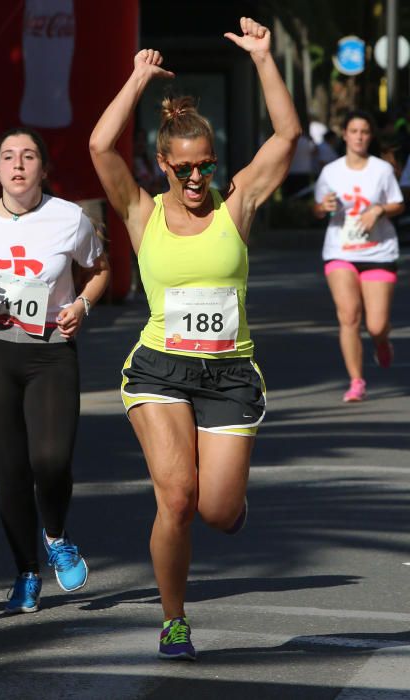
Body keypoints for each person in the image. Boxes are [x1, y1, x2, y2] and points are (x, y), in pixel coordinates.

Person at [89, 17, 300, 660]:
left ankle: (229, 504)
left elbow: (287, 134)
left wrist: (265, 59)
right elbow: (100, 147)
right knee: (176, 497)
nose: (196, 178)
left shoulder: (236, 204)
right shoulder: (140, 210)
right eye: (184, 167)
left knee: (214, 510)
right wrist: (136, 79)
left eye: (205, 165)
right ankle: (174, 619)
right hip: (159, 370)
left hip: (230, 374)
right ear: (163, 163)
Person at [0, 127, 110, 613]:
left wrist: (81, 304)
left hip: (51, 350)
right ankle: (26, 572)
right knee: (11, 471)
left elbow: (100, 271)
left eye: (28, 156)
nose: (18, 165)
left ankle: (56, 535)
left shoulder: (68, 218)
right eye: (8, 157)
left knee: (51, 460)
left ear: (42, 169)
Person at [313, 110, 405, 403]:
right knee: (349, 317)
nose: (359, 137)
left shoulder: (381, 170)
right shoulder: (331, 171)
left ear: (370, 136)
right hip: (340, 250)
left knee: (376, 324)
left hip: (379, 251)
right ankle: (356, 381)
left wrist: (378, 210)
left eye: (364, 132)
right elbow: (316, 209)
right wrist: (323, 206)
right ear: (345, 135)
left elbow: (398, 204)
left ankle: (382, 341)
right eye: (354, 131)